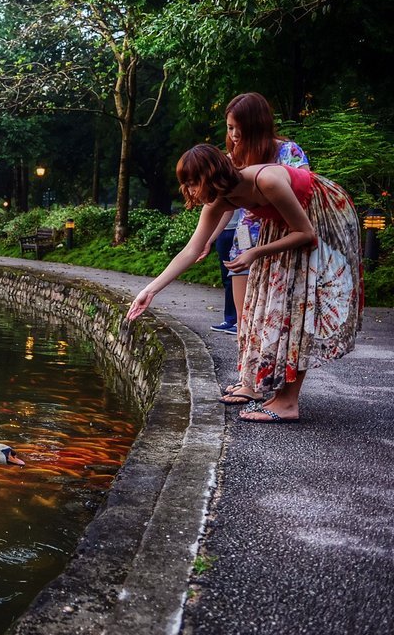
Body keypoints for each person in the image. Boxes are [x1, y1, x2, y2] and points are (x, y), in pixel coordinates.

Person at [129, 143, 361, 424]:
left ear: (211, 177)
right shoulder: (221, 201)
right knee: (272, 307)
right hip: (284, 226)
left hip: (320, 214)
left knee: (299, 306)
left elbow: (306, 232)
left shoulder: (266, 180)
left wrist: (255, 252)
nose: (188, 191)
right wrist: (149, 291)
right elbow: (191, 250)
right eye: (185, 184)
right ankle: (276, 392)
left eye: (192, 183)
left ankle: (288, 402)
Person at [203, 93, 310, 404]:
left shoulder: (287, 151)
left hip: (280, 241)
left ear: (257, 125)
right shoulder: (234, 155)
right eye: (230, 128)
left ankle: (271, 386)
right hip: (245, 241)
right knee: (245, 316)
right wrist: (211, 237)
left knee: (273, 317)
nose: (234, 136)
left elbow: (303, 192)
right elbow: (226, 203)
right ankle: (247, 381)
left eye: (239, 128)